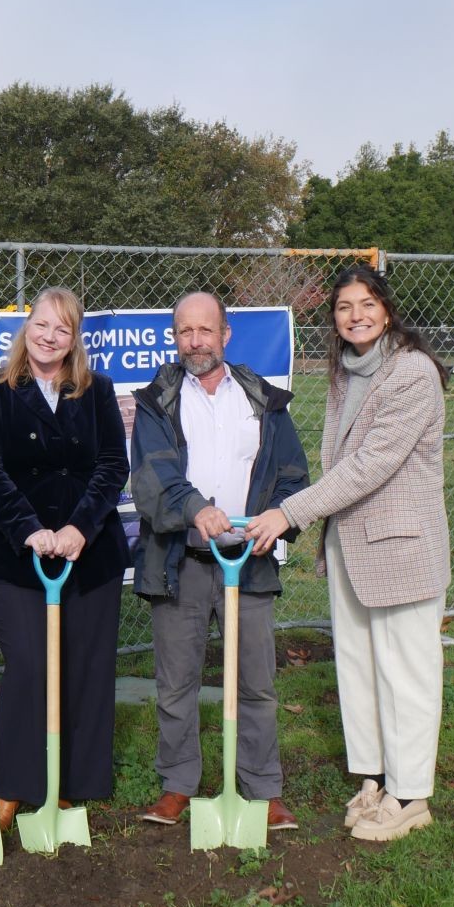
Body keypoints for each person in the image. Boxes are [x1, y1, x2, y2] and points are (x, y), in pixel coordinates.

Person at [247, 264, 450, 843]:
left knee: (406, 672)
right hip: (349, 547)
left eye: (366, 304)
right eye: (343, 307)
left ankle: (411, 795)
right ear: (333, 318)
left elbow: (370, 466)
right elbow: (340, 461)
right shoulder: (345, 371)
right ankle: (376, 779)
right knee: (359, 667)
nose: (355, 315)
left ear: (386, 309)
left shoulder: (411, 373)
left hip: (401, 549)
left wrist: (290, 511)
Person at [130, 292, 310, 830]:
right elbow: (152, 477)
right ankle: (178, 785)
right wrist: (194, 508)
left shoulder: (263, 402)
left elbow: (294, 476)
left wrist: (278, 519)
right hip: (179, 560)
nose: (195, 341)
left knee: (256, 682)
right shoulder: (157, 401)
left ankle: (263, 789)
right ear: (175, 337)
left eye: (205, 330)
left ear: (225, 335)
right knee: (177, 681)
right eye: (185, 331)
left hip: (247, 561)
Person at [0, 287, 130, 830]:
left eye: (62, 329)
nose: (49, 336)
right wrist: (32, 530)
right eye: (42, 324)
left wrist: (80, 527)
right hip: (16, 556)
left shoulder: (98, 390)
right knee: (31, 664)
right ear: (26, 326)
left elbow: (112, 465)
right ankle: (14, 786)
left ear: (74, 339)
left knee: (84, 668)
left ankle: (69, 784)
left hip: (89, 553)